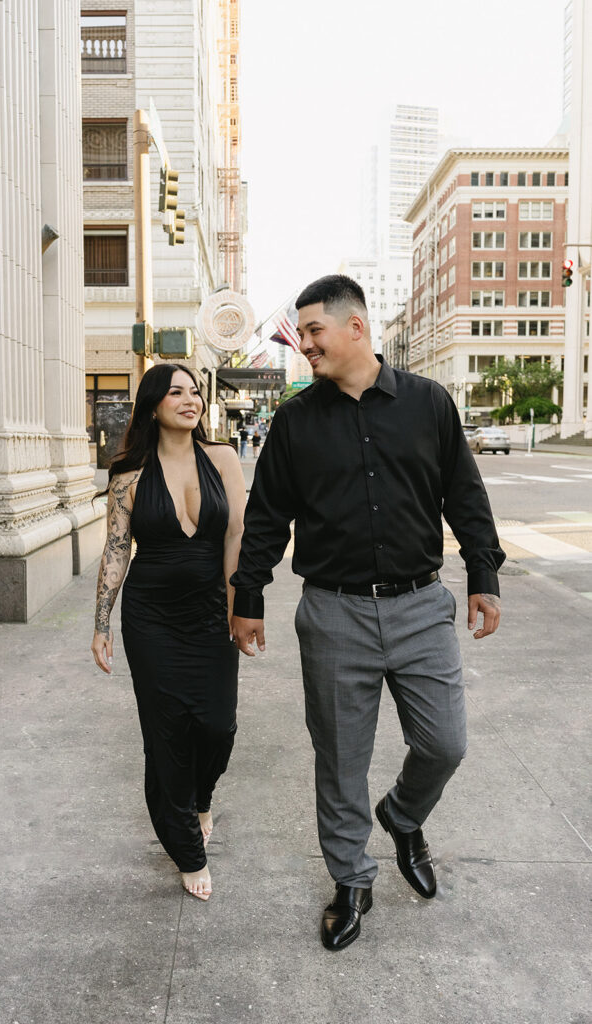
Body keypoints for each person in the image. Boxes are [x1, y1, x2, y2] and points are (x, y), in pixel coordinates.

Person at [230, 275, 504, 950]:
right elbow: (266, 517)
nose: (304, 344)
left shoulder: (427, 404)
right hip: (333, 614)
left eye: (313, 330)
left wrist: (482, 574)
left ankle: (403, 814)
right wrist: (248, 595)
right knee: (340, 761)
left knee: (444, 743)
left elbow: (462, 494)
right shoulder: (295, 420)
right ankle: (351, 880)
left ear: (355, 328)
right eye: (301, 333)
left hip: (418, 607)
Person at [91, 364, 247, 902]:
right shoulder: (129, 475)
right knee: (166, 736)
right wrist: (101, 623)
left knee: (217, 726)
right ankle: (187, 848)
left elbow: (235, 539)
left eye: (195, 391)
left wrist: (239, 610)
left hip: (208, 615)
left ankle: (200, 799)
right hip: (150, 618)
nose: (190, 399)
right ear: (153, 404)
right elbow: (116, 550)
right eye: (176, 392)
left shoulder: (223, 459)